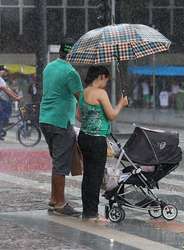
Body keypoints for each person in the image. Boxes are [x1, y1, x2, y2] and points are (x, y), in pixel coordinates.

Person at [39, 38, 83, 216]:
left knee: (57, 161)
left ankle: (53, 198)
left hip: (45, 120)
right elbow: (82, 99)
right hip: (61, 121)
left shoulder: (49, 67)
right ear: (72, 53)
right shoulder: (71, 72)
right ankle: (60, 203)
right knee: (61, 164)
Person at [77, 65, 128, 220]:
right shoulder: (100, 93)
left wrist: (93, 117)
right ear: (101, 77)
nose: (107, 83)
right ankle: (92, 214)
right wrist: (121, 104)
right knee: (96, 176)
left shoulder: (84, 92)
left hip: (84, 137)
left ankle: (87, 210)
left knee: (88, 175)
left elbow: (79, 116)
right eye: (106, 79)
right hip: (97, 139)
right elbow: (112, 115)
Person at [0, 65, 21, 140]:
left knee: (3, 114)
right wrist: (15, 97)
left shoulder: (1, 80)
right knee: (2, 115)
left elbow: (8, 89)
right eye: (3, 71)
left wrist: (16, 96)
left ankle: (1, 130)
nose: (4, 72)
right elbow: (5, 89)